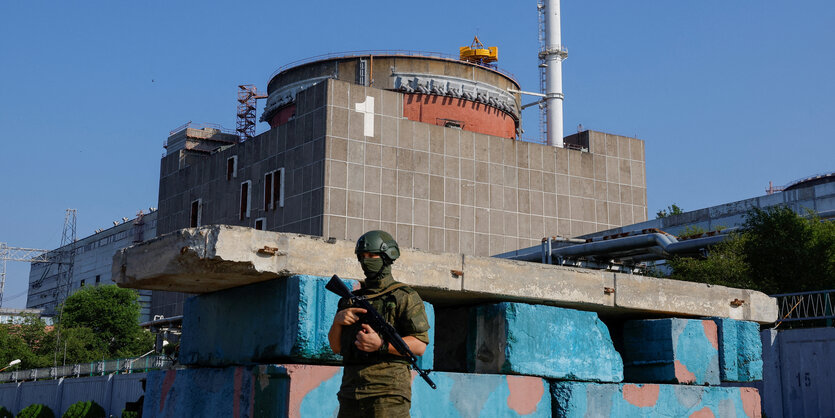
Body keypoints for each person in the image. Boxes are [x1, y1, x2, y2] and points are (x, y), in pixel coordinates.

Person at [328, 230, 430, 418]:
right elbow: (336, 347)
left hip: (388, 393)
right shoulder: (350, 301)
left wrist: (381, 345)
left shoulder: (404, 296)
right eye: (362, 256)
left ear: (387, 256)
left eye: (372, 255)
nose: (366, 261)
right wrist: (338, 322)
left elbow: (419, 345)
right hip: (351, 392)